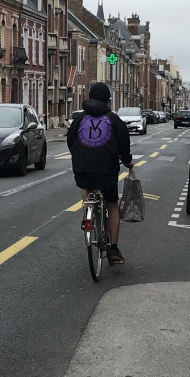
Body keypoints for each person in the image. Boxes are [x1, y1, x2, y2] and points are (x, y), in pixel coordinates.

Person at [67, 81, 134, 265]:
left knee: (86, 187)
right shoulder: (113, 119)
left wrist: (79, 157)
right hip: (107, 171)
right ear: (107, 100)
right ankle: (113, 249)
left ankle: (87, 213)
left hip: (82, 169)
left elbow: (70, 139)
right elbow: (124, 142)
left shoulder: (80, 119)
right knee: (112, 204)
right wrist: (127, 160)